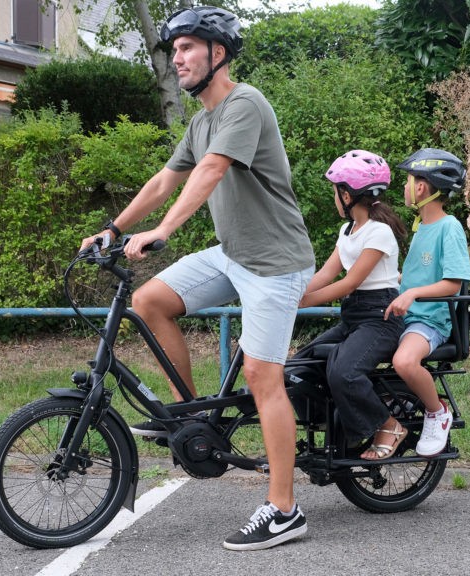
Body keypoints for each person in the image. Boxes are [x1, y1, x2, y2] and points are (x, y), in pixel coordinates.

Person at [80, 6, 315, 552]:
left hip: (276, 262)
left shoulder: (244, 104)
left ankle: (285, 509)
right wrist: (113, 229)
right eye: (175, 49)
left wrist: (163, 232)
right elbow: (166, 178)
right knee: (149, 300)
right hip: (233, 253)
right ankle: (192, 419)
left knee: (262, 377)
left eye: (188, 47)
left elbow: (211, 172)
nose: (178, 58)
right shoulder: (201, 120)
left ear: (219, 53)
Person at [294, 150, 409, 460]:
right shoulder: (347, 231)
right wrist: (290, 293)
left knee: (344, 371)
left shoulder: (379, 232)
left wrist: (299, 304)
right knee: (298, 367)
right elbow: (326, 274)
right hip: (354, 318)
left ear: (347, 194)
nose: (334, 196)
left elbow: (348, 283)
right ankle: (337, 427)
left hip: (380, 318)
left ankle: (389, 425)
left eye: (335, 190)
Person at [383, 148, 470, 457]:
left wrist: (412, 293)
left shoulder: (450, 227)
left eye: (407, 182)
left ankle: (436, 412)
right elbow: (415, 278)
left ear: (421, 188)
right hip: (406, 317)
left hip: (429, 320)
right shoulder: (422, 227)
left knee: (404, 362)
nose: (404, 188)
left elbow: (453, 282)